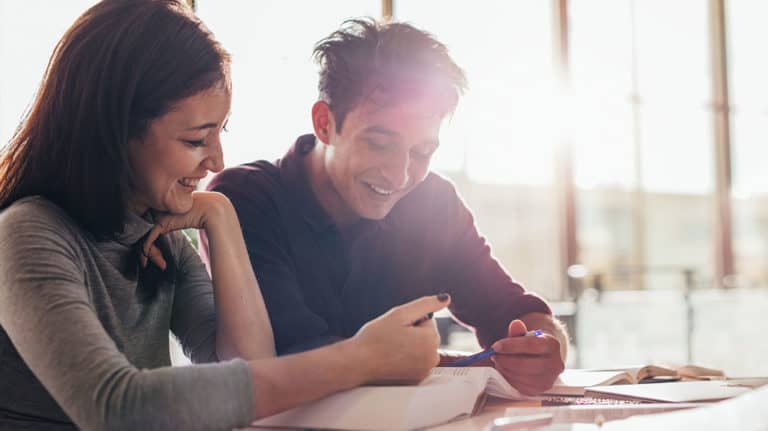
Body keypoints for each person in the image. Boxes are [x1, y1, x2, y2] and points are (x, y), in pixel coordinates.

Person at [0, 2, 448, 430]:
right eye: (196, 140)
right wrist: (360, 358)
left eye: (220, 134)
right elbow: (119, 409)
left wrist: (221, 216)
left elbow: (248, 371)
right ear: (116, 133)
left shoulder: (164, 236)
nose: (216, 161)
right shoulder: (26, 234)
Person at [205, 18, 568, 396]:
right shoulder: (246, 200)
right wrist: (426, 361)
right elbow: (283, 357)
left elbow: (513, 309)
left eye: (422, 152)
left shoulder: (433, 202)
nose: (399, 176)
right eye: (379, 144)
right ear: (324, 123)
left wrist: (544, 344)